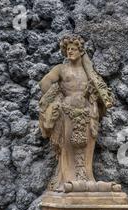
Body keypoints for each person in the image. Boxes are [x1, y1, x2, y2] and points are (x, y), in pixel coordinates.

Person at [39, 34, 118, 192]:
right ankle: (65, 179)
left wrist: (93, 95)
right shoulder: (61, 69)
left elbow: (101, 92)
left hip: (87, 114)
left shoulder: (89, 72)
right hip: (66, 113)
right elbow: (45, 82)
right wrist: (57, 97)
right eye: (68, 49)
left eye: (73, 49)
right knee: (66, 147)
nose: (70, 52)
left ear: (81, 51)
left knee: (87, 149)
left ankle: (86, 177)